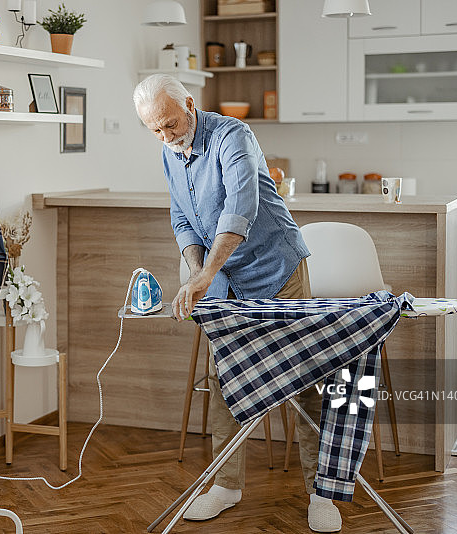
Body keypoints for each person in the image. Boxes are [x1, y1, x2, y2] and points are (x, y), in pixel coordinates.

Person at [133, 74, 342, 533]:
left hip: (276, 268)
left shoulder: (232, 134)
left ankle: (321, 492)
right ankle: (226, 486)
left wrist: (205, 273)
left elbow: (240, 206)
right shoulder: (169, 152)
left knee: (303, 377)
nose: (167, 136)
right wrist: (195, 271)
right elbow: (182, 218)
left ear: (190, 103)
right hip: (226, 278)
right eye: (156, 130)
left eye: (171, 124)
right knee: (225, 379)